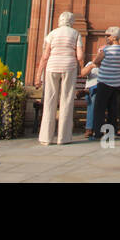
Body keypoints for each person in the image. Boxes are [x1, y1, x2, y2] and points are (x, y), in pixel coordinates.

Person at [36, 11, 84, 145]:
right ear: (71, 21)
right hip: (69, 66)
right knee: (67, 100)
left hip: (52, 66)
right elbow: (79, 55)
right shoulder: (75, 34)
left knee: (50, 101)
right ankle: (64, 138)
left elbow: (45, 56)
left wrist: (38, 76)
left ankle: (46, 137)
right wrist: (81, 68)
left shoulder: (52, 34)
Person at [82, 26, 120, 139]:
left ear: (114, 37)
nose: (106, 37)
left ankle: (97, 133)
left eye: (108, 35)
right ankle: (111, 133)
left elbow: (96, 61)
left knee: (99, 109)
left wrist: (100, 60)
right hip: (115, 84)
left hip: (104, 82)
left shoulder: (106, 50)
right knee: (112, 109)